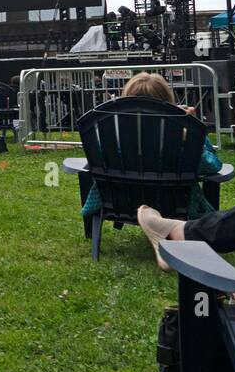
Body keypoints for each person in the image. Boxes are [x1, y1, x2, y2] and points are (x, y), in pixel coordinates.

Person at [84, 73, 222, 259]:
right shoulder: (182, 135)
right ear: (168, 101)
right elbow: (212, 166)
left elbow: (95, 161)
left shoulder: (110, 132)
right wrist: (193, 131)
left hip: (120, 200)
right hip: (175, 203)